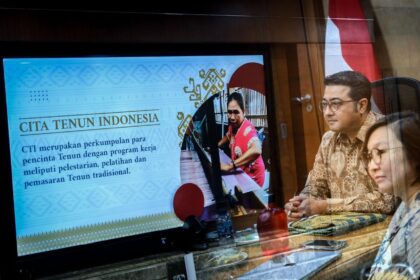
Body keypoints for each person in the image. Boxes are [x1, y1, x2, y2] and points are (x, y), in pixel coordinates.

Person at [285, 71, 394, 220]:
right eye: (324, 104)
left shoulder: (387, 134)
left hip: (384, 231)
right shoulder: (328, 139)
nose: (327, 112)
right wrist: (301, 203)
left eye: (335, 104)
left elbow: (387, 200)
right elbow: (316, 185)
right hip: (339, 231)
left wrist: (326, 206)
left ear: (361, 105)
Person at [363, 112, 420, 279]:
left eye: (380, 152)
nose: (372, 166)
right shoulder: (406, 204)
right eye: (369, 157)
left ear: (414, 152)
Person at [218, 91, 265, 187]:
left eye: (236, 112)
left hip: (253, 178)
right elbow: (228, 135)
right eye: (229, 112)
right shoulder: (233, 125)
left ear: (243, 111)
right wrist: (217, 145)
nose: (232, 117)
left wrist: (230, 166)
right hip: (241, 172)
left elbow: (257, 149)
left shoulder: (248, 129)